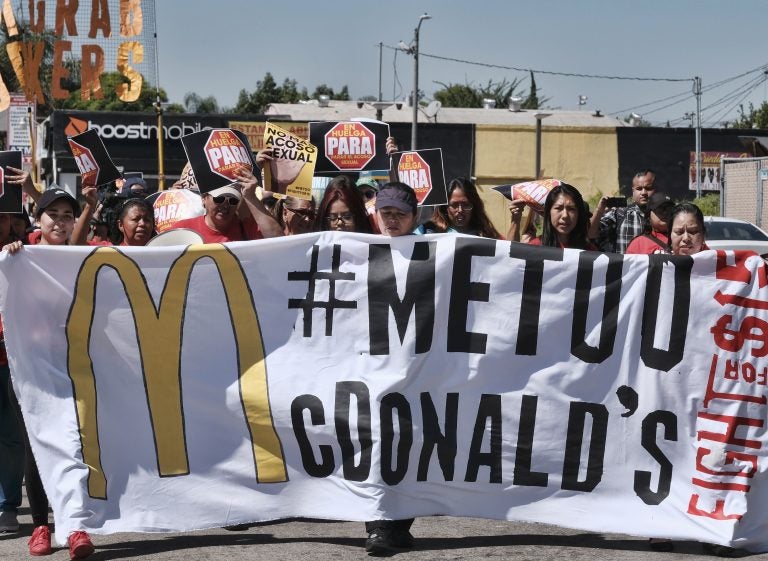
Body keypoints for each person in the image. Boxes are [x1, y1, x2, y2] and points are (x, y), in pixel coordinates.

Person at [3, 188, 96, 559]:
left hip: (72, 369)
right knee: (35, 447)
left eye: (66, 215)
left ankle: (74, 526)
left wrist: (90, 206)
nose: (59, 220)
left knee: (74, 445)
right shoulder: (17, 256)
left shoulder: (74, 257)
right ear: (37, 220)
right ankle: (41, 524)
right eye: (52, 214)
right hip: (26, 371)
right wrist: (10, 258)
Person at [364, 181, 419, 556]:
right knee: (377, 442)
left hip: (419, 367)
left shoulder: (437, 252)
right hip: (372, 366)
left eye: (400, 214)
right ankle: (378, 525)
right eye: (386, 213)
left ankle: (398, 524)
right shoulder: (356, 252)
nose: (392, 220)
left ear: (415, 217)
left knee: (413, 445)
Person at [171, 166, 283, 243]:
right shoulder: (183, 229)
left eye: (233, 200)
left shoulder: (245, 227)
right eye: (219, 199)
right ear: (204, 198)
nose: (226, 205)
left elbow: (278, 240)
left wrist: (250, 196)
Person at [416, 177, 502, 238]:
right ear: (445, 207)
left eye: (466, 205)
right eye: (454, 205)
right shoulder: (427, 231)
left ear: (474, 206)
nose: (460, 210)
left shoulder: (487, 235)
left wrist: (515, 220)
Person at [596, 169, 656, 253]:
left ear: (656, 189)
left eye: (648, 188)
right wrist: (599, 210)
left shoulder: (665, 217)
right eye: (639, 188)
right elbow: (591, 233)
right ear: (633, 191)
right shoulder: (619, 213)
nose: (643, 192)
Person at [525, 183, 596, 250]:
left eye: (571, 209)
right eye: (559, 208)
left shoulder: (590, 253)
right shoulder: (533, 249)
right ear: (549, 212)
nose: (565, 215)